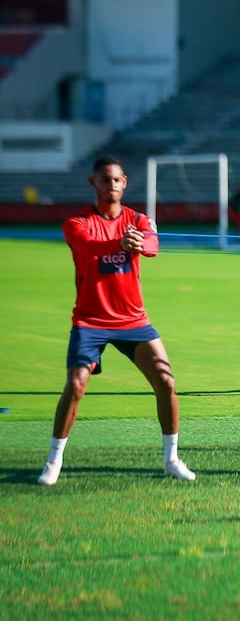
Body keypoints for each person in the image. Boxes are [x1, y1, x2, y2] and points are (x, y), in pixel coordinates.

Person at [37, 155, 195, 486]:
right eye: (105, 179)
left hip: (132, 320)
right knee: (76, 384)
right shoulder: (77, 222)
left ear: (125, 183)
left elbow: (152, 244)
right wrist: (119, 242)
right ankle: (54, 460)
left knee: (166, 382)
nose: (112, 185)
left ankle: (171, 459)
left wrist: (140, 242)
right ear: (92, 182)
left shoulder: (138, 219)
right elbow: (86, 245)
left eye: (117, 179)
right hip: (90, 321)